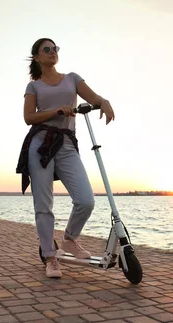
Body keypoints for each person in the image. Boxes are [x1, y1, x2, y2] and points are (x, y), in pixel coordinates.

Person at [16, 37, 115, 279]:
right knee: (43, 205)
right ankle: (50, 258)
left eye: (55, 48)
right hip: (40, 144)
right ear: (37, 57)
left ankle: (70, 238)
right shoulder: (34, 86)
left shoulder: (72, 78)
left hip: (66, 144)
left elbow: (94, 98)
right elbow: (29, 117)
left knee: (85, 199)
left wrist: (103, 101)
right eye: (46, 49)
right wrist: (57, 110)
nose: (52, 52)